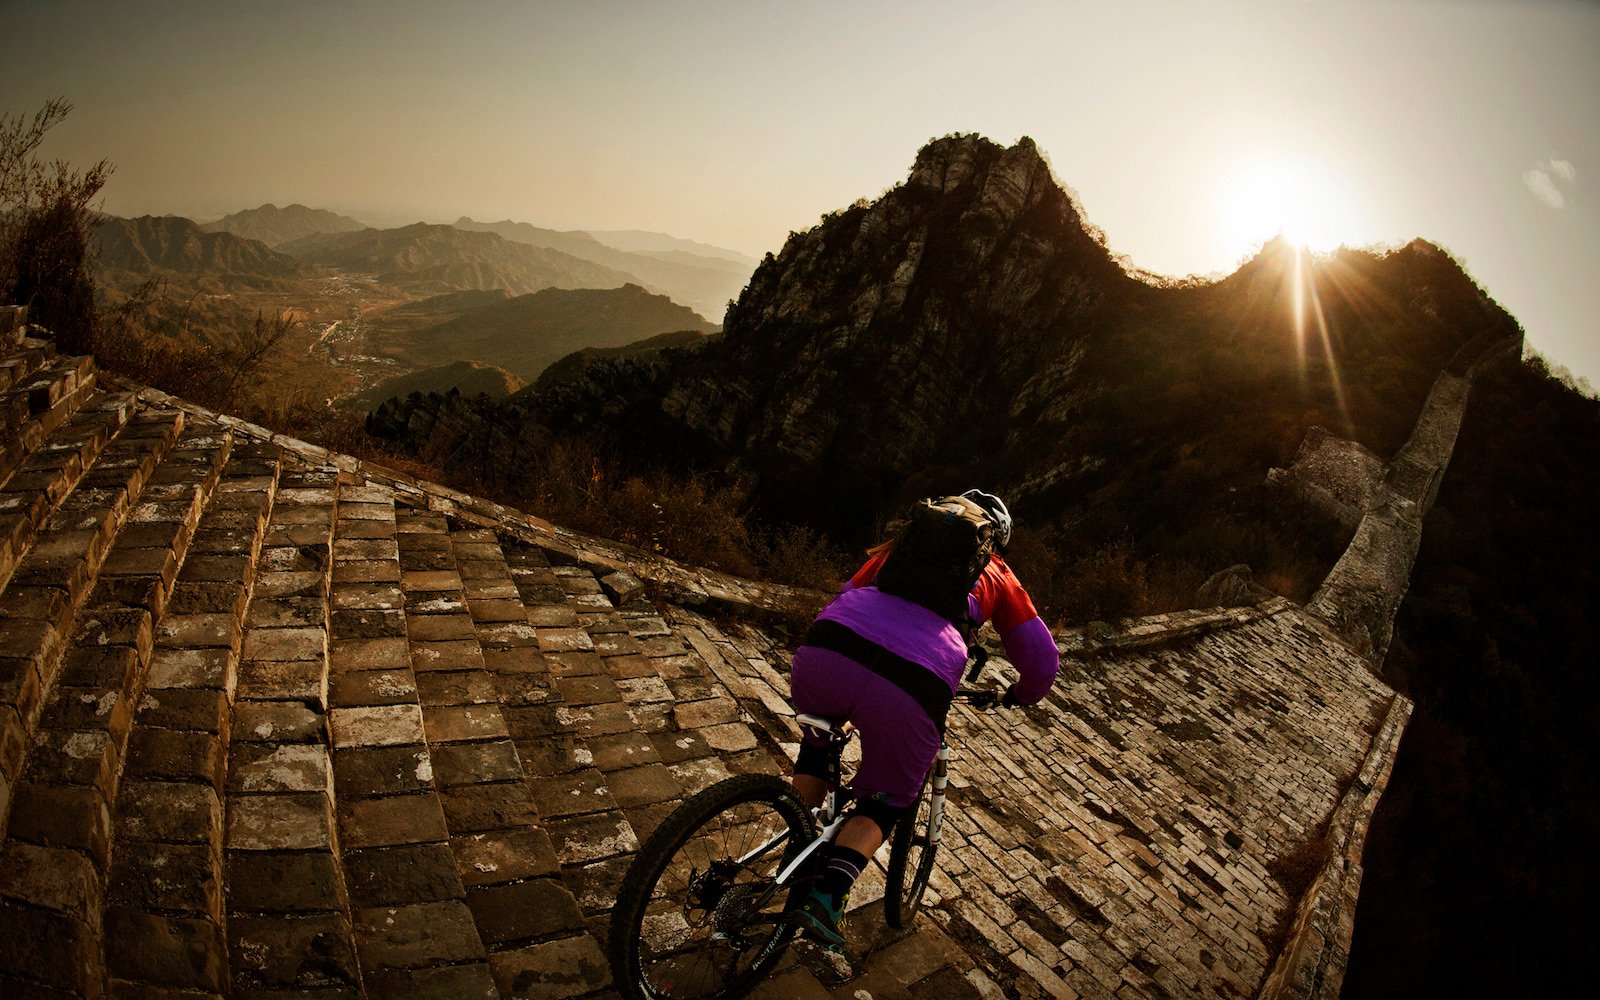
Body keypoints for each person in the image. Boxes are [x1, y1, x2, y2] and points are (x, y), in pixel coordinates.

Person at [787, 489, 1060, 949]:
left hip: (829, 645)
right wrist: (1019, 694)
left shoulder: (900, 550)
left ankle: (793, 840)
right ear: (991, 541)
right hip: (915, 682)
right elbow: (1043, 663)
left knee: (817, 747)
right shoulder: (999, 573)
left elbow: (847, 593)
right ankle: (826, 896)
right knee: (885, 799)